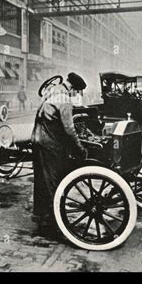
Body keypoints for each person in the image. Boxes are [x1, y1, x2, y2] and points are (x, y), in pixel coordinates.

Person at [31, 72, 88, 228]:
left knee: (41, 180)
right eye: (77, 92)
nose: (76, 95)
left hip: (36, 140)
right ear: (74, 89)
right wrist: (80, 149)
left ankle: (40, 213)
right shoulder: (64, 99)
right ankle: (53, 221)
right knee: (52, 181)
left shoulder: (52, 91)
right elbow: (69, 129)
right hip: (49, 144)